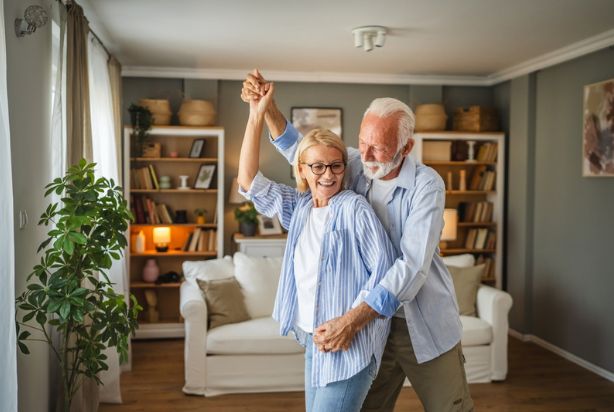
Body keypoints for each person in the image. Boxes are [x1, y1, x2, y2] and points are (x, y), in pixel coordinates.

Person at [242, 70, 474, 412]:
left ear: (406, 147)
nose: (365, 155)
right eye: (362, 141)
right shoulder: (352, 162)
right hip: (370, 328)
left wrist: (351, 321)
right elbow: (301, 151)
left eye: (378, 147)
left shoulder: (427, 185)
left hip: (419, 321)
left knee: (451, 408)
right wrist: (266, 107)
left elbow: (411, 266)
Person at [237, 80, 397, 412]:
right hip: (314, 340)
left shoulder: (354, 209)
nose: (328, 175)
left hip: (349, 344)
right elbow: (248, 181)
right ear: (302, 170)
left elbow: (386, 272)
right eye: (317, 166)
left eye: (336, 165)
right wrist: (256, 115)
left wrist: (349, 324)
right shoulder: (300, 208)